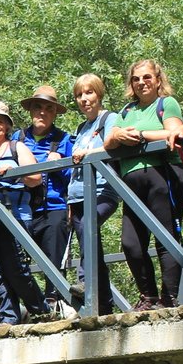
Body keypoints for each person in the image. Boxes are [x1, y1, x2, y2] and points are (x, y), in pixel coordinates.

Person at [106, 59, 183, 310]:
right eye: (136, 79)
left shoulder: (166, 104)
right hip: (131, 182)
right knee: (131, 242)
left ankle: (169, 297)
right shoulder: (127, 111)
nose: (142, 82)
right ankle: (148, 296)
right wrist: (118, 135)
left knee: (165, 237)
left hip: (162, 176)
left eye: (147, 77)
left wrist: (141, 136)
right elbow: (109, 143)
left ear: (158, 80)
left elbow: (175, 132)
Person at [0, 101, 50, 325]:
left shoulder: (17, 147)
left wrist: (13, 171)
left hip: (14, 216)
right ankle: (9, 316)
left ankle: (40, 310)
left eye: (0, 122)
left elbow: (35, 178)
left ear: (7, 126)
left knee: (16, 268)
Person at [15, 86, 75, 314]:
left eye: (49, 108)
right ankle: (30, 306)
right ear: (30, 109)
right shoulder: (16, 138)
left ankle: (54, 304)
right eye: (38, 107)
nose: (42, 112)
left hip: (54, 208)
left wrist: (58, 164)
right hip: (20, 209)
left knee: (54, 260)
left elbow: (77, 177)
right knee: (16, 262)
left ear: (55, 113)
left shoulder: (64, 140)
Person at [67, 74, 121, 315]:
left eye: (89, 93)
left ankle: (85, 282)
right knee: (92, 246)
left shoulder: (109, 118)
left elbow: (113, 144)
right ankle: (105, 305)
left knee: (90, 229)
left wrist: (89, 153)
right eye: (79, 95)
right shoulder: (81, 128)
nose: (84, 99)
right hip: (78, 195)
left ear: (99, 94)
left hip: (102, 191)